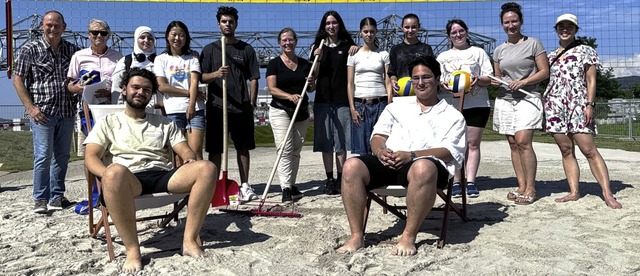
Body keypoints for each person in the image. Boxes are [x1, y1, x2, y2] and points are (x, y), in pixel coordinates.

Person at [84, 67, 217, 274]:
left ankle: (189, 240)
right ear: (124, 89)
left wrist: (190, 158)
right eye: (135, 87)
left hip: (162, 175)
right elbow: (91, 156)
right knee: (114, 172)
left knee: (207, 168)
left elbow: (184, 150)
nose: (140, 92)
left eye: (146, 89)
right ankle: (132, 249)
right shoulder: (107, 122)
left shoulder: (164, 122)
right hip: (127, 178)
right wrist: (108, 177)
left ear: (151, 94)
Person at [337, 55, 466, 256]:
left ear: (438, 78)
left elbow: (449, 151)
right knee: (351, 165)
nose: (420, 83)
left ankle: (408, 236)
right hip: (391, 160)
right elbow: (378, 136)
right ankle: (356, 235)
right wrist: (380, 150)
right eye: (416, 78)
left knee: (422, 167)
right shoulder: (396, 106)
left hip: (427, 169)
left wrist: (412, 155)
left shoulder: (452, 115)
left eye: (426, 77)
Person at [544, 14, 622, 209]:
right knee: (566, 149)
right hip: (555, 105)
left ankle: (607, 192)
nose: (565, 29)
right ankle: (574, 191)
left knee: (588, 149)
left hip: (578, 103)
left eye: (569, 26)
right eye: (561, 26)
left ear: (576, 29)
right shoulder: (550, 56)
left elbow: (591, 80)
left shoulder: (586, 50)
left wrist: (590, 104)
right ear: (556, 29)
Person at [12, 10, 81, 214]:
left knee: (62, 156)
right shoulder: (29, 49)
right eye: (49, 25)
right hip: (43, 113)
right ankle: (40, 198)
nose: (53, 28)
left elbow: (79, 77)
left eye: (57, 25)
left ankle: (57, 196)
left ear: (64, 27)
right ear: (42, 26)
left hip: (67, 110)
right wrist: (30, 108)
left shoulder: (73, 51)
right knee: (43, 155)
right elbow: (18, 79)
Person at [200, 6, 261, 202]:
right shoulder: (210, 49)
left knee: (242, 147)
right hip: (217, 107)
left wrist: (251, 102)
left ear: (236, 23)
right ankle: (213, 186)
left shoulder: (246, 49)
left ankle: (244, 185)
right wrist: (217, 74)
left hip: (241, 107)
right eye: (224, 21)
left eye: (231, 21)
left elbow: (254, 78)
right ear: (218, 24)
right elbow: (201, 77)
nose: (228, 24)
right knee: (215, 149)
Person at [491, 2, 549, 205]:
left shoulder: (533, 44)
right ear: (502, 25)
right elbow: (498, 77)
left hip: (528, 97)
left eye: (514, 21)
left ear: (521, 22)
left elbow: (544, 72)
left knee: (524, 141)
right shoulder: (499, 50)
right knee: (513, 144)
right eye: (507, 22)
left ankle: (531, 188)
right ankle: (521, 185)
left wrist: (524, 81)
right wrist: (494, 81)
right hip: (506, 100)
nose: (510, 25)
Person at [437, 19, 493, 198]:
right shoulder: (443, 57)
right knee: (454, 144)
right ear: (449, 36)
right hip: (451, 105)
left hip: (476, 103)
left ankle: (470, 182)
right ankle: (456, 182)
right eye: (453, 33)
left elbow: (489, 78)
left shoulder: (478, 52)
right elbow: (438, 80)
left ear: (466, 32)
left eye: (461, 31)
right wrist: (442, 84)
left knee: (472, 144)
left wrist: (477, 79)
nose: (458, 35)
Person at [266, 28, 316, 203]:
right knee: (284, 149)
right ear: (280, 43)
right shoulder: (274, 64)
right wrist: (289, 96)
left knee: (295, 150)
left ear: (296, 41)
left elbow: (311, 89)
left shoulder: (305, 64)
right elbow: (272, 88)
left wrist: (311, 83)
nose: (288, 43)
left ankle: (292, 185)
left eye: (290, 40)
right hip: (281, 109)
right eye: (284, 40)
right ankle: (285, 188)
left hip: (301, 111)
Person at [312, 10, 359, 195]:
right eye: (327, 23)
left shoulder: (348, 46)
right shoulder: (318, 46)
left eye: (334, 22)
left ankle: (341, 178)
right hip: (322, 100)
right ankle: (329, 178)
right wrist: (317, 57)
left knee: (340, 143)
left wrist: (355, 48)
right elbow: (313, 75)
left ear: (339, 24)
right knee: (326, 142)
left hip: (342, 101)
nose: (331, 26)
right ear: (324, 27)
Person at [67, 18, 122, 155]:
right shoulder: (79, 56)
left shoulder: (118, 57)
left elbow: (124, 83)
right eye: (95, 32)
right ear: (89, 34)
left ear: (108, 36)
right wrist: (78, 88)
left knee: (111, 149)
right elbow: (70, 84)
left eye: (103, 33)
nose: (99, 36)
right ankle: (91, 177)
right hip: (88, 110)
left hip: (111, 107)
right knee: (89, 151)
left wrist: (111, 91)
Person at [154, 21, 205, 160]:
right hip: (173, 109)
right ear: (167, 36)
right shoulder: (160, 59)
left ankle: (200, 179)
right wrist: (188, 93)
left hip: (195, 108)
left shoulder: (192, 57)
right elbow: (162, 86)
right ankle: (181, 180)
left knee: (196, 151)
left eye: (181, 35)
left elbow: (194, 81)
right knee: (178, 153)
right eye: (174, 35)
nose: (177, 38)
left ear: (186, 38)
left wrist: (191, 104)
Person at [347, 17, 392, 156]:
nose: (369, 34)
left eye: (372, 31)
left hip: (381, 102)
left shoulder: (383, 54)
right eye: (365, 31)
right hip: (361, 104)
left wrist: (390, 105)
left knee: (381, 143)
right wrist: (352, 108)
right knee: (363, 147)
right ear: (360, 33)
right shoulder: (353, 55)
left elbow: (388, 81)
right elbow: (349, 83)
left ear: (376, 32)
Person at [111, 26, 162, 113]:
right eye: (142, 37)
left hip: (157, 111)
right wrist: (119, 109)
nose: (146, 40)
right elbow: (116, 88)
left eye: (150, 38)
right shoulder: (126, 61)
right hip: (131, 111)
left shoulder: (160, 61)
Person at [387, 13, 434, 94]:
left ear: (418, 27)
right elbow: (392, 72)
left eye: (414, 27)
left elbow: (432, 71)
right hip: (402, 92)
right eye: (407, 27)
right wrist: (393, 80)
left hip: (422, 92)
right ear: (402, 28)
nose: (410, 30)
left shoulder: (426, 48)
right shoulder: (396, 49)